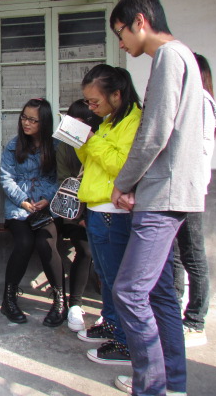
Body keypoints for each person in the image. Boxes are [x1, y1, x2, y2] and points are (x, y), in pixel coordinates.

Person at [109, 0, 204, 396]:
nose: (121, 43)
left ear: (140, 21)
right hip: (170, 191)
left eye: (121, 32)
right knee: (160, 294)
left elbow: (154, 133)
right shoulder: (184, 57)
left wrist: (124, 182)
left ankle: (151, 388)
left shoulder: (168, 57)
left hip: (163, 197)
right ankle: (173, 384)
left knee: (129, 293)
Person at [73, 65, 142, 367]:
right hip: (97, 209)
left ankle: (126, 343)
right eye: (87, 102)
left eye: (95, 101)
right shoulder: (109, 122)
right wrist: (80, 140)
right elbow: (93, 162)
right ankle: (112, 324)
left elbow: (124, 166)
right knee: (105, 276)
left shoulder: (134, 121)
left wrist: (91, 140)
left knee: (117, 280)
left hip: (115, 212)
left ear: (116, 94)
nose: (91, 107)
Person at [0, 98, 65, 327]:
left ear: (44, 122)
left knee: (46, 243)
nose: (26, 123)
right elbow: (6, 179)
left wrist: (47, 198)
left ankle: (60, 301)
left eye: (33, 120)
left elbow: (60, 177)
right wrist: (24, 201)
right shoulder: (13, 146)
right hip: (19, 208)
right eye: (24, 117)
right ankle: (8, 299)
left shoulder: (56, 146)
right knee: (24, 242)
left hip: (47, 207)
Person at [172, 53, 216, 348]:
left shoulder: (201, 102)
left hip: (189, 189)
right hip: (181, 189)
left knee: (193, 256)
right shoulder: (196, 101)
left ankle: (195, 322)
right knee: (178, 254)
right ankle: (174, 310)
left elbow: (196, 151)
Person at [55, 99, 101, 332]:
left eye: (83, 122)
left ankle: (110, 310)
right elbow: (63, 180)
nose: (78, 127)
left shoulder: (102, 141)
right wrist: (80, 215)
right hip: (73, 210)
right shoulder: (65, 146)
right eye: (74, 121)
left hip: (101, 206)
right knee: (86, 249)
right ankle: (75, 304)